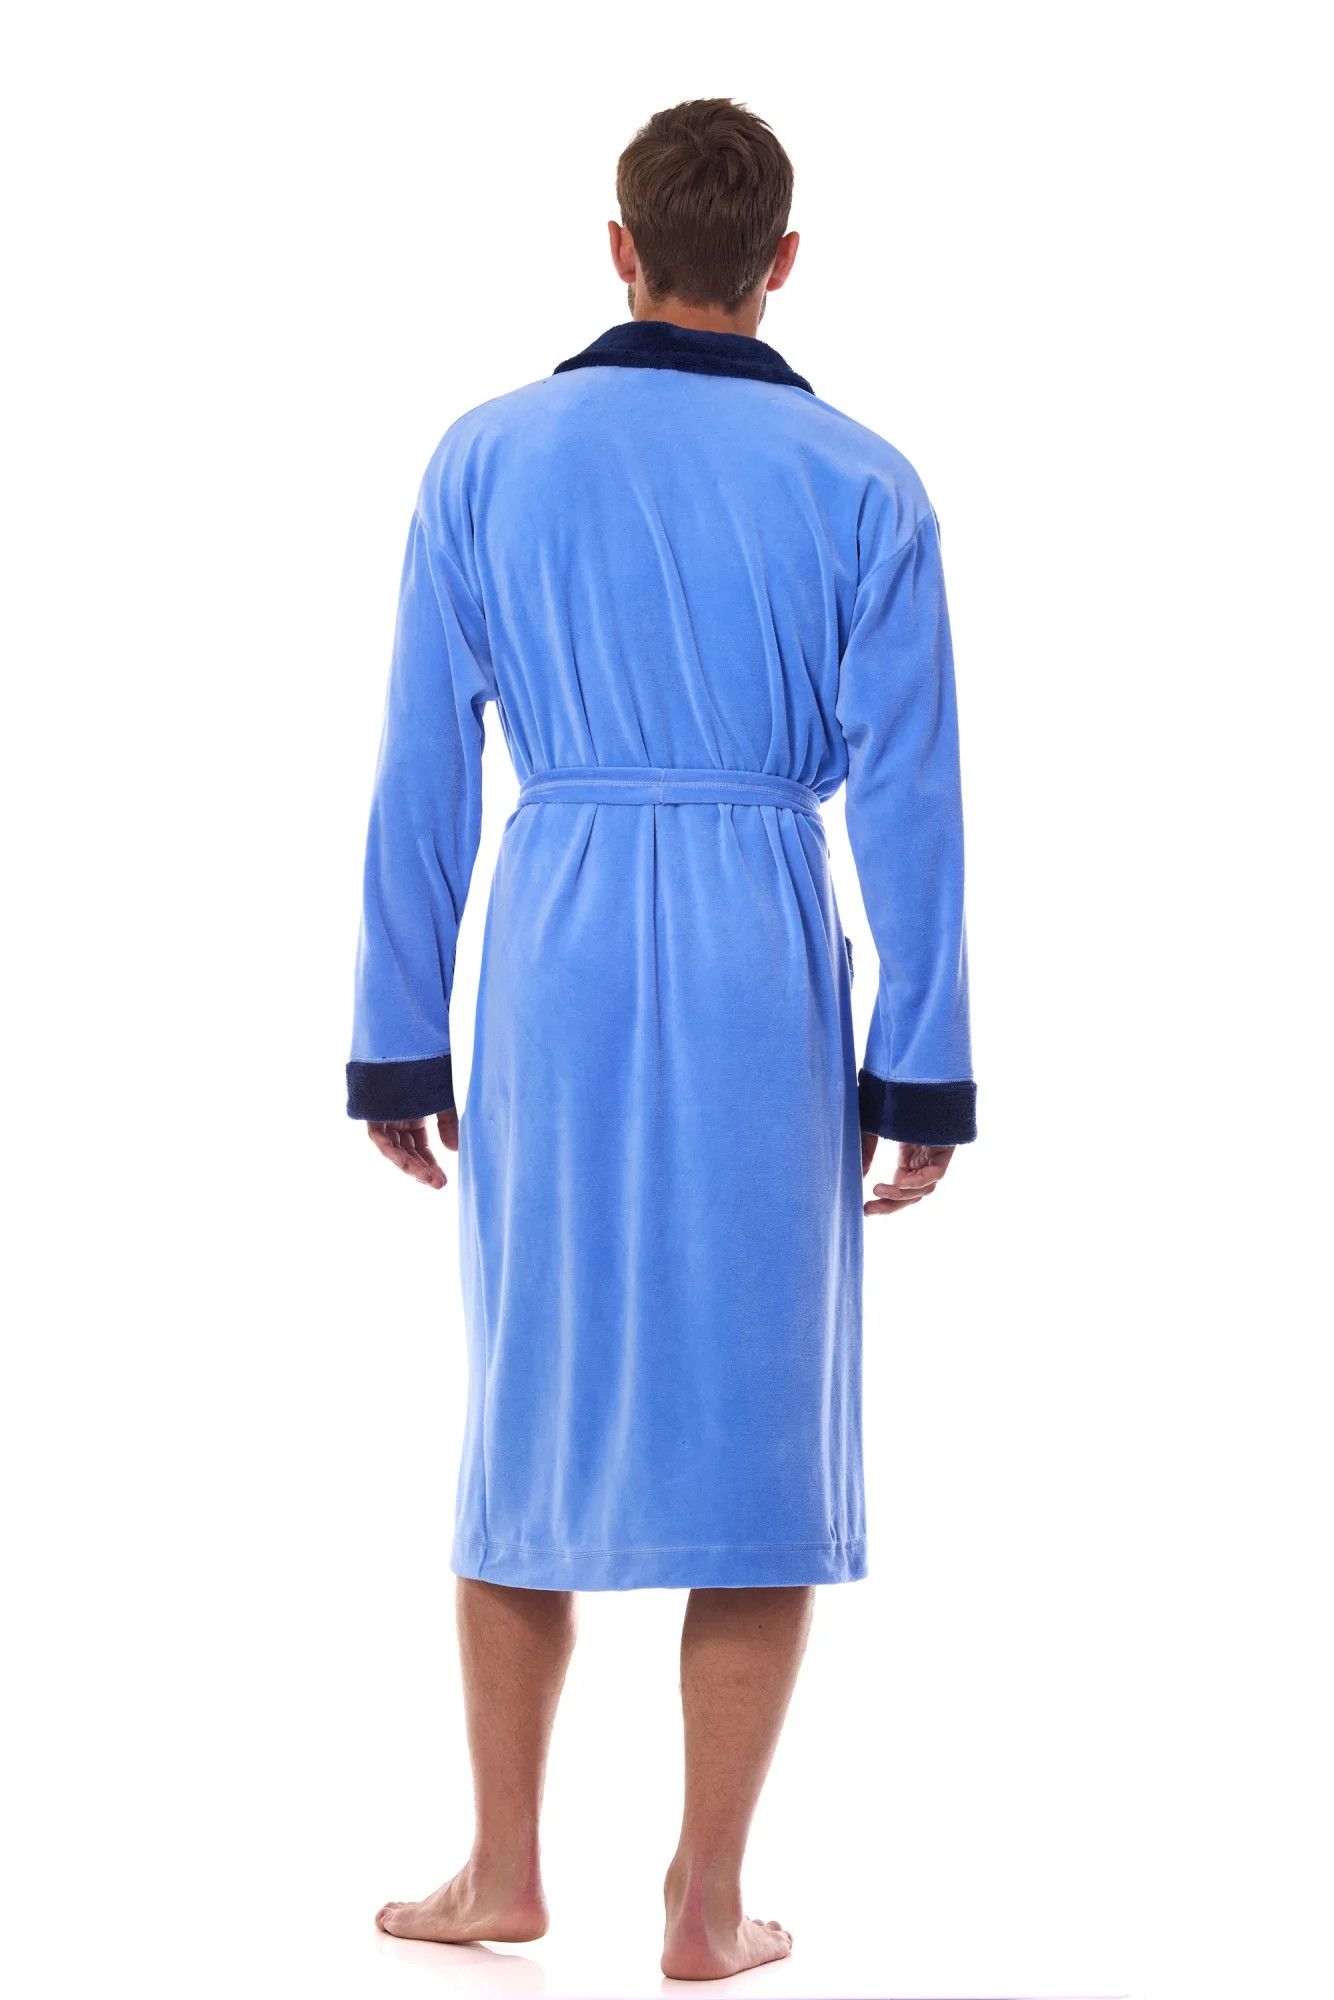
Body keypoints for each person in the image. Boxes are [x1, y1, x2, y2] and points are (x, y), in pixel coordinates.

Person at [347, 97, 976, 1982]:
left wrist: (398, 1038)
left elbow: (416, 771)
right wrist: (921, 1062)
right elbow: (914, 805)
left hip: (551, 944)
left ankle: (501, 1870)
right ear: (779, 262)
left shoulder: (486, 456)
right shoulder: (863, 480)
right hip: (757, 954)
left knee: (526, 1402)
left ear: (617, 247)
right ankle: (702, 1904)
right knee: (762, 1431)